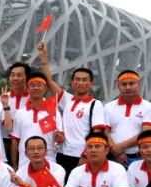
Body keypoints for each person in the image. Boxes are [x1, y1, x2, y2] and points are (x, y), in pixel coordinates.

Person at [37, 42, 109, 176]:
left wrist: (85, 154)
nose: (80, 83)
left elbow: (97, 132)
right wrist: (44, 58)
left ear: (91, 84)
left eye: (84, 80)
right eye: (77, 79)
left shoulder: (95, 104)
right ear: (72, 82)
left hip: (81, 156)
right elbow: (48, 81)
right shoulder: (67, 99)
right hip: (63, 153)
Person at [8, 71, 62, 170]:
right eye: (32, 85)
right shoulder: (20, 113)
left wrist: (59, 137)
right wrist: (14, 165)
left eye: (39, 85)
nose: (36, 88)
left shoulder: (54, 112)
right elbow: (15, 141)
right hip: (24, 161)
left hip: (48, 160)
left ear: (45, 88)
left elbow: (60, 139)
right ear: (28, 88)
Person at [104, 70, 151, 165]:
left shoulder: (149, 107)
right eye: (123, 84)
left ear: (138, 84)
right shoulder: (108, 107)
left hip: (139, 158)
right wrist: (117, 152)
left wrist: (120, 148)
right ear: (118, 86)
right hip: (112, 157)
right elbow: (105, 132)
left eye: (131, 83)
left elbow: (146, 133)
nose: (128, 87)